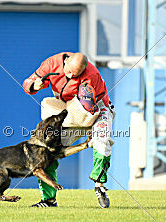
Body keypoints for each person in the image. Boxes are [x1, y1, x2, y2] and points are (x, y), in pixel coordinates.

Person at [22, 52, 115, 208]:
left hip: (98, 109)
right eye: (69, 72)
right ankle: (49, 200)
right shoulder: (50, 64)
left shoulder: (92, 74)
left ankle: (99, 186)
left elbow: (90, 106)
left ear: (84, 69)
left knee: (102, 140)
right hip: (71, 110)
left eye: (76, 74)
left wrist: (93, 125)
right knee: (47, 150)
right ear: (65, 62)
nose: (72, 76)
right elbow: (27, 83)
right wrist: (34, 85)